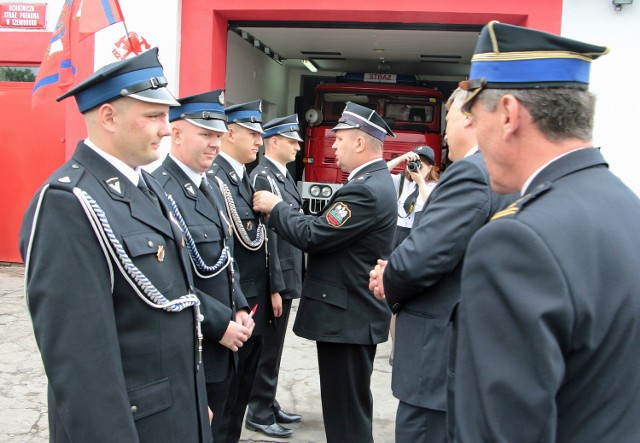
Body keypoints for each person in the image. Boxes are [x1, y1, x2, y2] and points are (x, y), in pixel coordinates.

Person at [451, 21, 640, 442]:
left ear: (508, 114)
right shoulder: (627, 208)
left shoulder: (516, 241)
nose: (474, 133)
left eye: (473, 113)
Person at [19, 48, 213, 442]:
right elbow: (80, 363)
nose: (165, 127)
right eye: (154, 116)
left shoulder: (146, 186)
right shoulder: (68, 203)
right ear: (108, 117)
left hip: (174, 413)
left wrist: (193, 401)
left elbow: (173, 308)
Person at [368, 86, 516, 443]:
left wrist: (389, 278)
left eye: (448, 119)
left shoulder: (470, 173)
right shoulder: (504, 170)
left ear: (468, 118)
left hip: (437, 354)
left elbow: (425, 256)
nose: (445, 133)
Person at [253, 101, 397, 443]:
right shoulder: (373, 181)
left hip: (347, 317)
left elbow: (315, 235)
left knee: (345, 414)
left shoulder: (364, 189)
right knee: (348, 407)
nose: (333, 146)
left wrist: (277, 209)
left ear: (360, 143)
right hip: (350, 315)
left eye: (339, 139)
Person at [151, 89, 255, 437]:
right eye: (205, 134)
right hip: (198, 343)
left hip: (227, 342)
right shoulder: (160, 191)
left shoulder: (209, 185)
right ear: (176, 134)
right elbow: (169, 278)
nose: (215, 143)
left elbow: (226, 259)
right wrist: (220, 323)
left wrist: (239, 306)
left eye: (218, 134)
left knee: (225, 429)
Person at [210, 100, 285, 443]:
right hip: (237, 308)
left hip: (257, 305)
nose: (259, 141)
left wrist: (274, 289)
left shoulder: (243, 179)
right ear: (230, 133)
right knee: (224, 403)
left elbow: (263, 241)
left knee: (240, 397)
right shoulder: (215, 180)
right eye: (252, 133)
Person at [245, 114, 304, 437]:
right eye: (292, 140)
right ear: (275, 141)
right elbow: (269, 238)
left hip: (288, 274)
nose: (298, 146)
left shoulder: (281, 175)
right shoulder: (264, 177)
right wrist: (276, 287)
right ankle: (258, 410)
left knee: (275, 347)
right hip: (277, 279)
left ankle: (267, 399)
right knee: (267, 347)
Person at [385, 144, 440, 366]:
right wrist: (400, 159)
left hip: (415, 235)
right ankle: (396, 348)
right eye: (416, 162)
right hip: (394, 235)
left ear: (432, 168)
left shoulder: (434, 186)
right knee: (392, 292)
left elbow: (434, 206)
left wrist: (420, 180)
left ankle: (410, 344)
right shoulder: (399, 182)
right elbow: (377, 172)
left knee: (409, 292)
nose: (418, 167)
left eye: (424, 164)